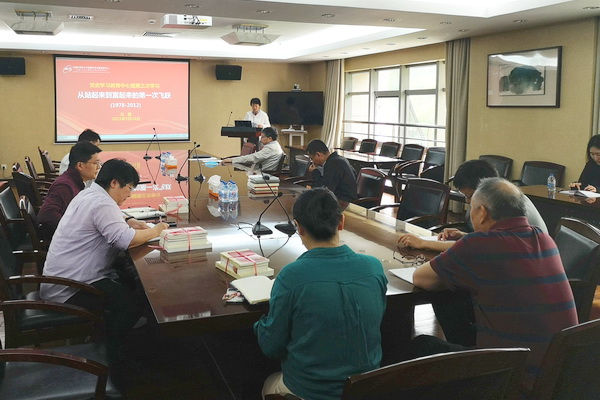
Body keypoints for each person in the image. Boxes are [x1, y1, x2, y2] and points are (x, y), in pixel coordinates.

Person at [411, 177, 578, 390]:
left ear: (482, 212)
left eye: (471, 208)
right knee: (454, 305)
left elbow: (421, 278)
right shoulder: (543, 238)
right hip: (559, 375)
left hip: (514, 377)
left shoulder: (478, 244)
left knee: (422, 345)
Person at [255, 188, 387, 400]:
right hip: (366, 387)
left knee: (268, 384)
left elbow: (271, 347)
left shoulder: (292, 276)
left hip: (310, 391)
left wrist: (260, 324)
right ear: (341, 222)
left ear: (298, 227)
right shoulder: (374, 267)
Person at [40, 159, 169, 348]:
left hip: (63, 277)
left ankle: (119, 335)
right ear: (114, 183)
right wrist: (157, 230)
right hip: (71, 288)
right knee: (132, 304)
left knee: (130, 280)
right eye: (129, 188)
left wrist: (129, 221)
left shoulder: (89, 194)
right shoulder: (102, 203)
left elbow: (107, 218)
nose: (129, 194)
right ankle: (105, 350)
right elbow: (126, 240)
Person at [398, 159, 548, 252]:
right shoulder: (508, 198)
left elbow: (478, 247)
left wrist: (423, 243)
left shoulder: (507, 208)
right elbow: (490, 242)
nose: (468, 202)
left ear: (484, 190)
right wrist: (464, 236)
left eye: (470, 196)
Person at [38, 141, 102, 240]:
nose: (99, 167)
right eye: (95, 163)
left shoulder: (75, 181)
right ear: (80, 166)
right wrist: (75, 232)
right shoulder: (65, 186)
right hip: (64, 242)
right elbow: (46, 214)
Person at [305, 139, 358, 210]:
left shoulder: (333, 164)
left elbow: (325, 191)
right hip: (343, 199)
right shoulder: (339, 159)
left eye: (312, 158)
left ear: (318, 154)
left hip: (344, 203)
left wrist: (315, 172)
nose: (312, 161)